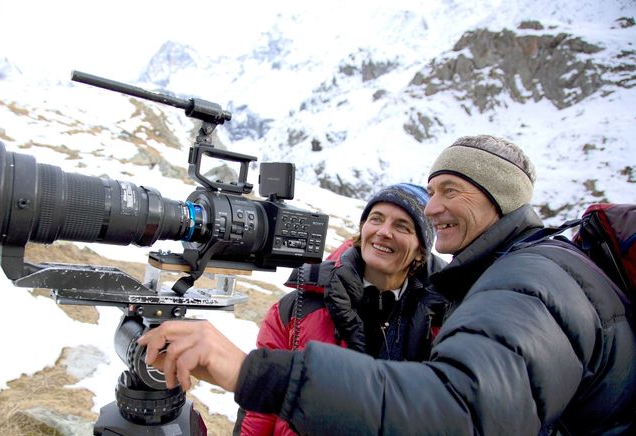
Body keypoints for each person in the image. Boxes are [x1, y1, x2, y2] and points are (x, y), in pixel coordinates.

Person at [139, 135, 636, 434]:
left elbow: (455, 412)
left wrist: (252, 371)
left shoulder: (526, 282)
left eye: (449, 191)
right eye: (376, 219)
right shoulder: (300, 306)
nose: (434, 207)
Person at [236, 183, 448, 435]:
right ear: (362, 229)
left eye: (402, 226)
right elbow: (261, 407)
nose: (383, 232)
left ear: (420, 250)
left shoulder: (442, 318)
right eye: (376, 219)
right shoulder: (297, 307)